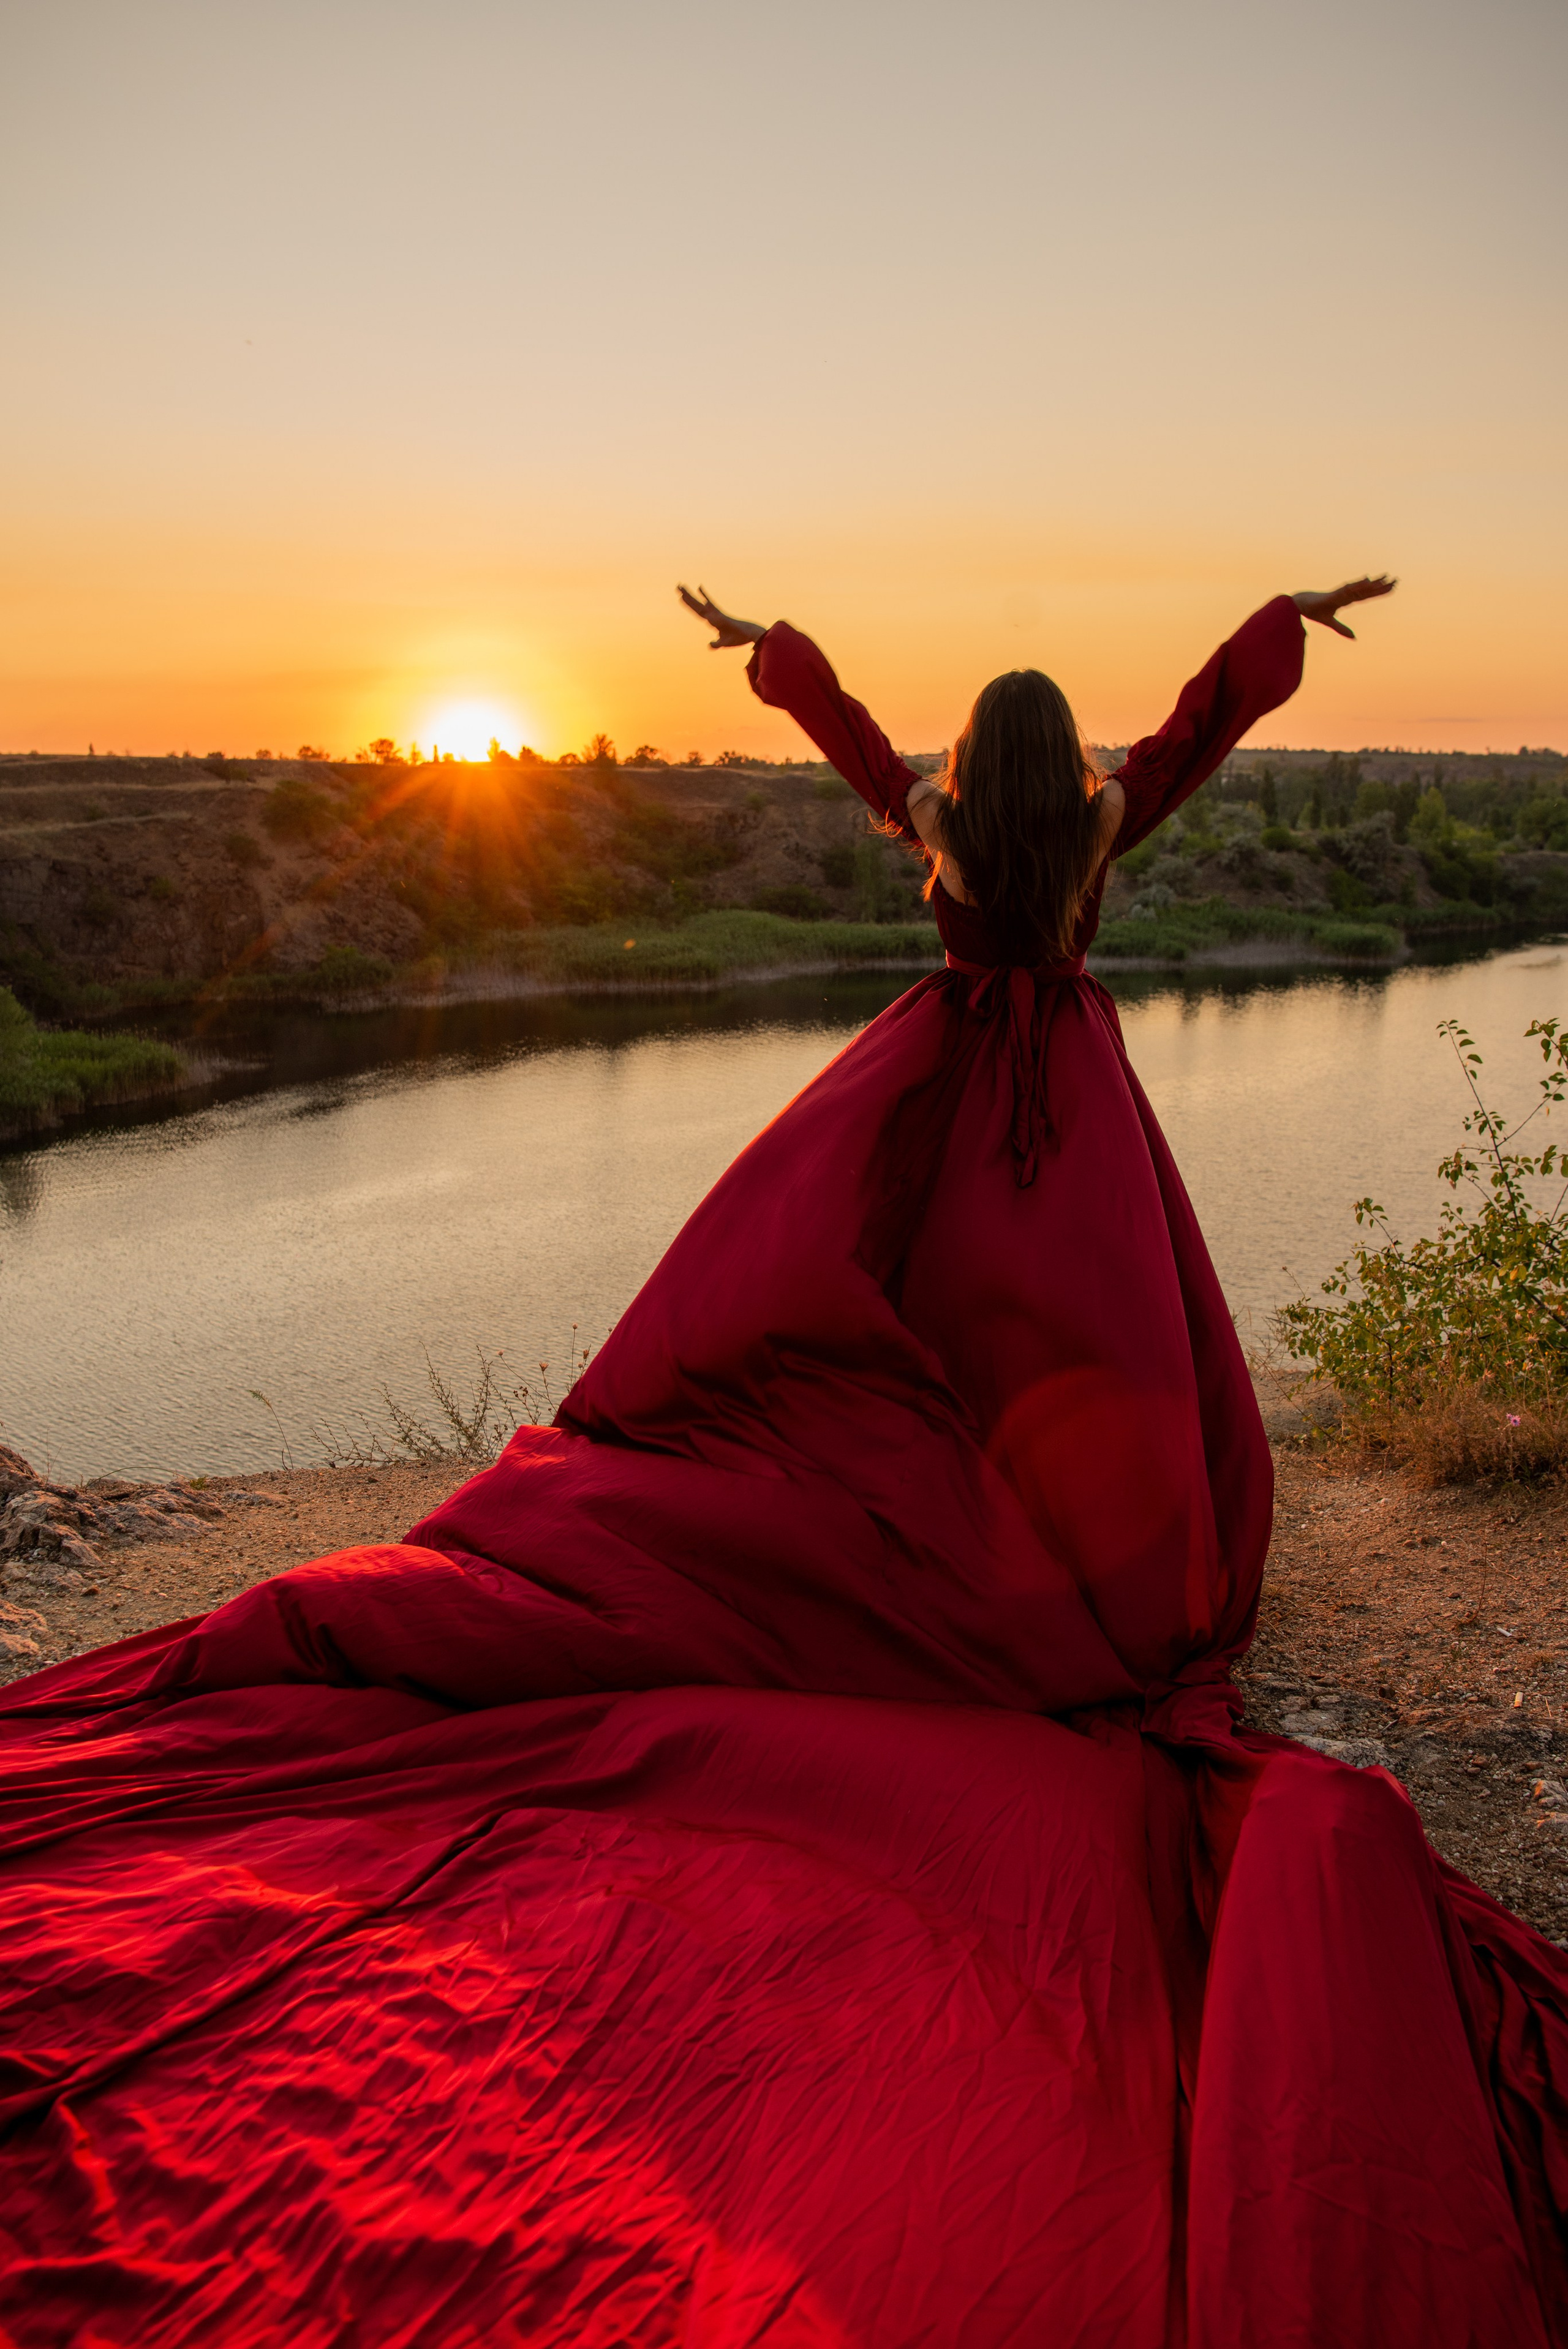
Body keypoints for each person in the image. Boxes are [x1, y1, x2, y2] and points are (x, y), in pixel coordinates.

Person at [3, 581, 1567, 2349]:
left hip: (931, 1106)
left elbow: (851, 751)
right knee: (1071, 1360)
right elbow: (1202, 733)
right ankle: (1069, 1572)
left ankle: (927, 1532)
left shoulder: (950, 823)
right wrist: (1275, 627)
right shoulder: (1098, 825)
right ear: (1074, 775)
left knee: (859, 1327)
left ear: (979, 771)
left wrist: (780, 654)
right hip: (1073, 1132)